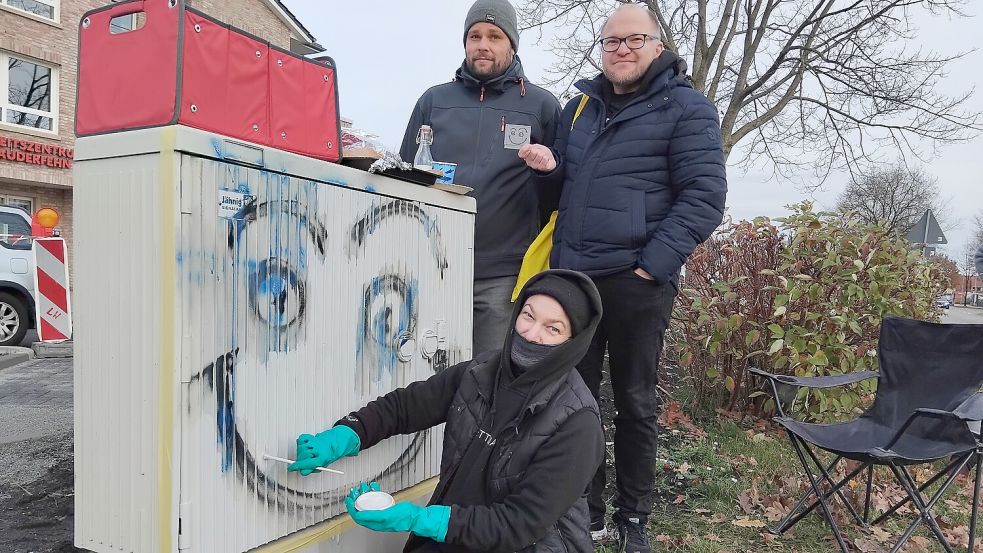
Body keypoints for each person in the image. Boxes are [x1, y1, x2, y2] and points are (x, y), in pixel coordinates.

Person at [519, 4, 727, 552]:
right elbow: (559, 195)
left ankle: (632, 515)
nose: (622, 49)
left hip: (638, 283)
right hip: (575, 283)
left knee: (634, 402)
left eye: (634, 39)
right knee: (573, 401)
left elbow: (704, 199)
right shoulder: (580, 108)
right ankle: (582, 511)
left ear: (658, 46)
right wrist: (548, 171)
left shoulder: (688, 109)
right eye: (611, 41)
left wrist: (650, 266)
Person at [288, 270, 604, 553]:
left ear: (573, 342)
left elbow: (518, 525)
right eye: (528, 315)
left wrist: (419, 518)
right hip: (455, 535)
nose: (532, 333)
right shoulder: (481, 372)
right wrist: (345, 434)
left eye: (553, 329)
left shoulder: (578, 423)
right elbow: (406, 407)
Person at [399, 0, 562, 358]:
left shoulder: (541, 106)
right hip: (433, 266)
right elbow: (404, 179)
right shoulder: (434, 101)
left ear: (512, 44)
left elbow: (559, 191)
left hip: (502, 275)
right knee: (425, 375)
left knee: (491, 377)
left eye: (494, 36)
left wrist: (549, 169)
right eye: (474, 36)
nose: (482, 44)